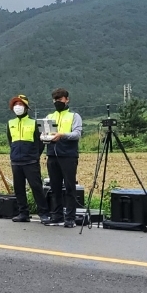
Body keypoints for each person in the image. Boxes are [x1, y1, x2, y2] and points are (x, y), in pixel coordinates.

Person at [6, 94, 50, 224]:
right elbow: (10, 140)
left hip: (30, 161)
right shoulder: (10, 123)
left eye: (20, 104)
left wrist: (35, 155)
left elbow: (41, 142)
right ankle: (23, 213)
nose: (17, 107)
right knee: (18, 188)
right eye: (15, 104)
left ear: (26, 107)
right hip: (16, 161)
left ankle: (43, 213)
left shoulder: (34, 122)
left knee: (36, 187)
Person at [44, 87, 83, 227]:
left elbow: (77, 134)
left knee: (69, 187)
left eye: (60, 99)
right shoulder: (49, 117)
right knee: (54, 187)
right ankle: (57, 216)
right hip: (52, 155)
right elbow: (45, 134)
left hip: (68, 155)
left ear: (67, 100)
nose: (57, 102)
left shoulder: (74, 116)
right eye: (55, 100)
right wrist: (44, 137)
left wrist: (62, 135)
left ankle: (70, 218)